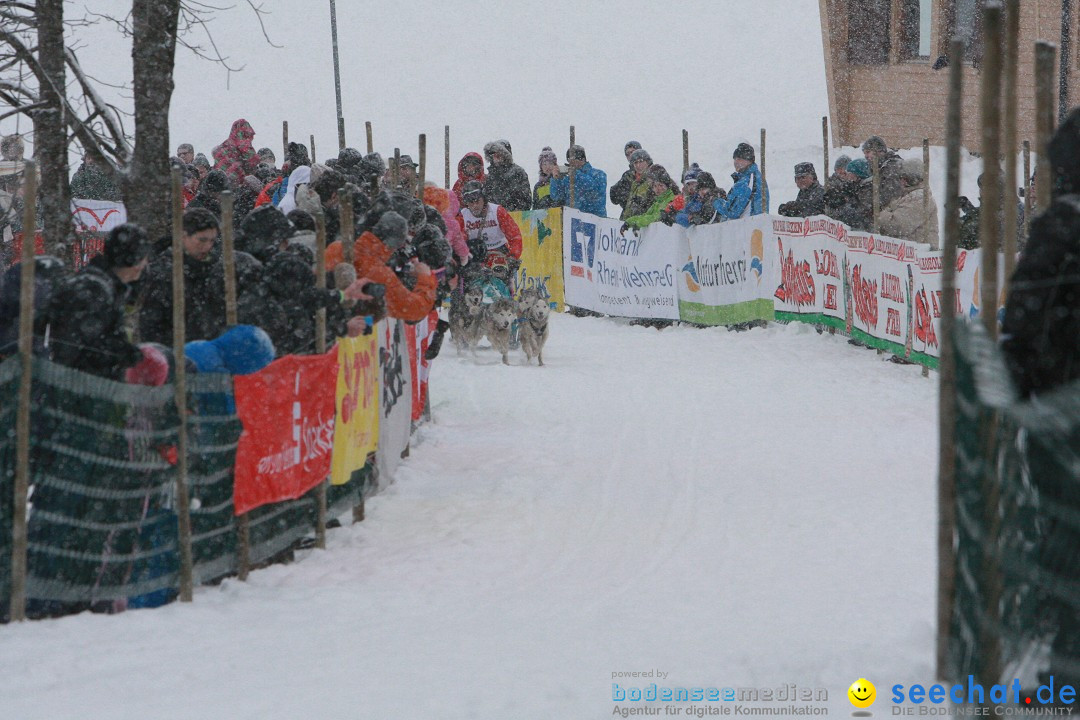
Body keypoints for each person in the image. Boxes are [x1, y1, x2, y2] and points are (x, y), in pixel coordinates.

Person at [46, 224, 150, 380]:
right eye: (144, 258)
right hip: (81, 385)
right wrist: (124, 353)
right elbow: (86, 345)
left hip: (88, 383)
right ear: (135, 262)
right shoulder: (94, 290)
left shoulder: (106, 285)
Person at [324, 210, 438, 323]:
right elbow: (415, 309)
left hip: (319, 316)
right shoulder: (379, 274)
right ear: (394, 246)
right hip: (344, 331)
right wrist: (425, 278)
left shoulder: (336, 248)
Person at [139, 207, 226, 346]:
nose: (207, 246)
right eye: (202, 240)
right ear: (183, 236)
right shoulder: (162, 273)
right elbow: (151, 325)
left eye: (212, 240)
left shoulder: (216, 269)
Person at [877, 158, 940, 249]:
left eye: (904, 178)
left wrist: (881, 215)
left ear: (913, 179)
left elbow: (897, 225)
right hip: (909, 252)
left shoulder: (920, 198)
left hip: (918, 255)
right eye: (900, 178)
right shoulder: (907, 195)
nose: (901, 181)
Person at [549, 144, 608, 217]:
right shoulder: (568, 179)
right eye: (569, 160)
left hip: (595, 220)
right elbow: (556, 196)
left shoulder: (599, 174)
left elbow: (594, 189)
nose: (571, 163)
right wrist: (556, 179)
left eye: (573, 160)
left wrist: (576, 174)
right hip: (573, 220)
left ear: (582, 159)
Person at [717, 143, 769, 220]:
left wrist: (715, 201)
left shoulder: (748, 181)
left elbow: (733, 211)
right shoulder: (749, 178)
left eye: (739, 159)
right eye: (735, 159)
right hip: (752, 227)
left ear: (749, 160)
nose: (736, 162)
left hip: (748, 228)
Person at [482, 140, 531, 211]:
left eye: (499, 154)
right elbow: (487, 201)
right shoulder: (489, 177)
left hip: (516, 217)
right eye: (493, 154)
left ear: (505, 155)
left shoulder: (518, 172)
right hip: (495, 218)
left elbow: (526, 199)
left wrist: (516, 212)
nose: (496, 157)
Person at [212, 119, 260, 187]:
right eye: (246, 135)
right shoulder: (237, 148)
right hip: (232, 188)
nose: (248, 139)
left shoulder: (224, 149)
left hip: (221, 188)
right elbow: (251, 157)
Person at [861, 135, 904, 210]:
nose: (866, 156)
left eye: (868, 152)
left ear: (879, 151)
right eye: (864, 153)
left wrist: (867, 199)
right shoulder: (879, 166)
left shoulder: (892, 167)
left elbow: (891, 195)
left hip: (894, 210)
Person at [620, 148, 655, 221]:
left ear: (648, 162)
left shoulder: (654, 179)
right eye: (635, 163)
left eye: (641, 161)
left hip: (646, 224)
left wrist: (643, 205)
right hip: (632, 223)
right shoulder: (635, 182)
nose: (638, 165)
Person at [610, 140, 643, 215]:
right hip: (628, 217)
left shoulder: (652, 172)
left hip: (647, 219)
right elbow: (614, 196)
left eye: (633, 152)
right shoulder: (627, 175)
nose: (631, 155)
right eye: (627, 154)